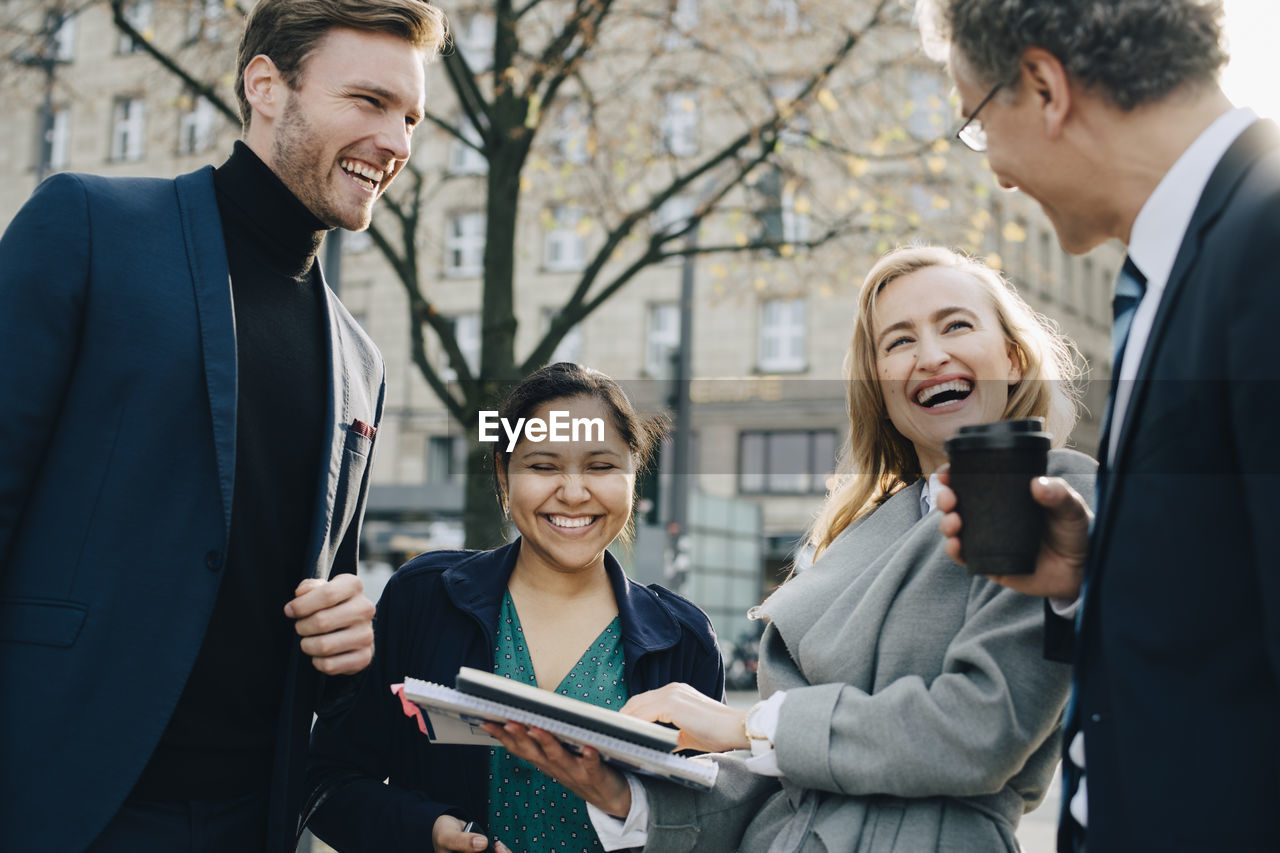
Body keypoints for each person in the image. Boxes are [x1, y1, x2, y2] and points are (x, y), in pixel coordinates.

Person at [0, 1, 446, 850]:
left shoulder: (362, 359)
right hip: (56, 798)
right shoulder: (87, 226)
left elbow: (322, 605)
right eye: (368, 101)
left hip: (252, 818)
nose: (396, 141)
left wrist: (351, 634)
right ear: (266, 86)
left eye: (411, 117)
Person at [486, 248, 1097, 852]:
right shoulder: (867, 530)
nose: (931, 355)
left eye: (956, 325)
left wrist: (746, 726)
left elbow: (978, 733)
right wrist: (628, 798)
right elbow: (788, 773)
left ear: (1013, 358)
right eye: (899, 342)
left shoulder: (1056, 497)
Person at [915, 1, 1280, 850]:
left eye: (977, 122)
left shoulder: (1263, 244)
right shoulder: (1182, 260)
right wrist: (1095, 574)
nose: (999, 175)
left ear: (1043, 86)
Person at [304, 362, 725, 853]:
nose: (572, 493)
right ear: (503, 476)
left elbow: (710, 825)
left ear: (634, 475)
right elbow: (329, 783)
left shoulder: (685, 641)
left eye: (601, 465)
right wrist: (428, 832)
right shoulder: (425, 597)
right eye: (543, 466)